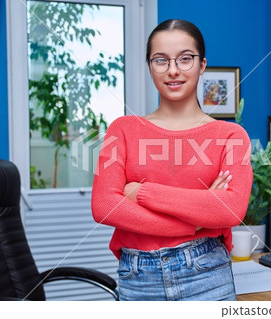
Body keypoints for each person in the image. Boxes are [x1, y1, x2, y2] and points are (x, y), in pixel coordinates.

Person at [91, 19, 253, 301]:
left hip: (208, 275)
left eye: (185, 59)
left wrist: (140, 192)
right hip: (138, 278)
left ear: (202, 64)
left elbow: (231, 210)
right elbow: (105, 207)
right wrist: (198, 221)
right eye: (161, 60)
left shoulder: (231, 135)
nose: (173, 70)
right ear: (150, 66)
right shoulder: (123, 129)